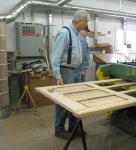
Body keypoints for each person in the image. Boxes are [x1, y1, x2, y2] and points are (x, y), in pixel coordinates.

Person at [50, 10, 90, 140]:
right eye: (86, 22)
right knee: (63, 102)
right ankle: (59, 129)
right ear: (81, 21)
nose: (86, 25)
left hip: (76, 70)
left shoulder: (77, 34)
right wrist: (58, 76)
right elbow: (54, 57)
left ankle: (73, 128)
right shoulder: (65, 33)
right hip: (65, 72)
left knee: (75, 100)